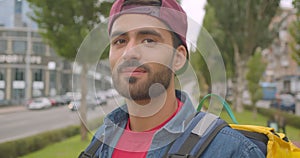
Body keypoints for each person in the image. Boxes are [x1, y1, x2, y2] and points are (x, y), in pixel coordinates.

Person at [79, 0, 265, 157]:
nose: (129, 53)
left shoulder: (230, 151)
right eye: (120, 41)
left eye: (148, 40)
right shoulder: (101, 141)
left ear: (178, 58)